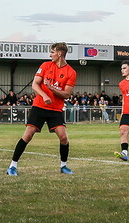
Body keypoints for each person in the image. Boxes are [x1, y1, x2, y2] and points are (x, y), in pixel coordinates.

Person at [6, 42, 77, 176]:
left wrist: (51, 88)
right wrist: (44, 95)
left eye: (52, 52)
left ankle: (63, 166)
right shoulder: (45, 66)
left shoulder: (71, 72)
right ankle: (12, 166)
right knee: (28, 135)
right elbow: (35, 84)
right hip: (39, 106)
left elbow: (67, 94)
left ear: (60, 53)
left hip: (56, 109)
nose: (50, 54)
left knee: (63, 138)